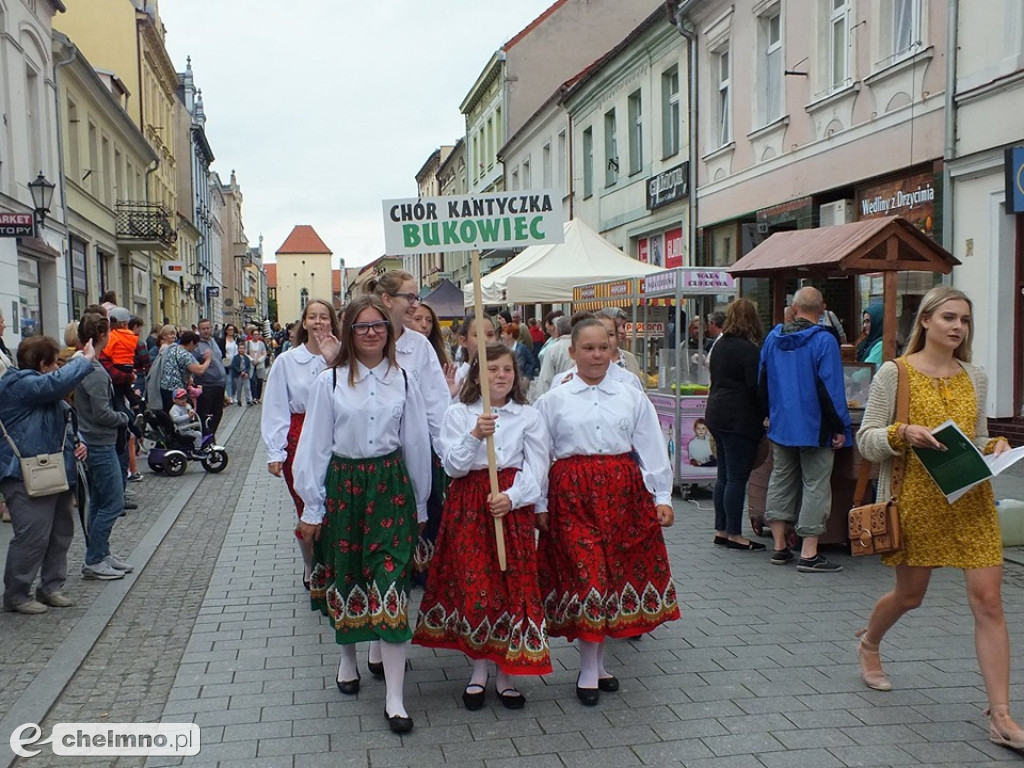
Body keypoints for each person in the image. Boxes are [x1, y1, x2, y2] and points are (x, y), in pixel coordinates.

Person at [855, 286, 1024, 748]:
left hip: (971, 500)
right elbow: (865, 439)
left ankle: (1003, 716)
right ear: (925, 320)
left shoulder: (976, 376)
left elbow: (979, 435)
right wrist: (902, 432)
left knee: (989, 601)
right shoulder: (896, 373)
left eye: (965, 320)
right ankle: (869, 643)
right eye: (949, 317)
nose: (958, 327)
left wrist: (996, 447)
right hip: (917, 503)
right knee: (910, 597)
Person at [293, 294, 430, 734]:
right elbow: (313, 446)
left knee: (390, 581)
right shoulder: (329, 382)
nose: (372, 333)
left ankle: (394, 696)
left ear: (389, 332)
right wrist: (312, 506)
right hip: (345, 487)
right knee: (346, 575)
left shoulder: (404, 380)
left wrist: (421, 501)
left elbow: (415, 444)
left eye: (379, 326)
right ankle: (348, 656)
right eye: (362, 326)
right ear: (348, 332)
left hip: (390, 486)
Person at [535, 318, 679, 705]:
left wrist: (661, 495)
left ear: (612, 351)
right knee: (588, 577)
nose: (597, 355)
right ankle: (586, 668)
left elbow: (650, 443)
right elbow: (539, 452)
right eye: (588, 348)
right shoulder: (555, 399)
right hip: (572, 494)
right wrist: (541, 502)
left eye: (603, 348)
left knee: (612, 576)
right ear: (572, 352)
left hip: (622, 493)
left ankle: (598, 664)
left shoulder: (630, 394)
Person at [413, 342, 552, 709]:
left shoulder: (528, 415)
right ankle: (478, 669)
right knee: (475, 585)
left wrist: (514, 496)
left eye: (507, 369)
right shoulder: (459, 413)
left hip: (509, 505)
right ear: (476, 374)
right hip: (469, 506)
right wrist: (475, 435)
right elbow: (452, 467)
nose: (501, 376)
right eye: (492, 370)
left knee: (510, 586)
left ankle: (506, 672)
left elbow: (538, 467)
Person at [759, 286, 852, 573]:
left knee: (781, 479)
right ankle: (809, 553)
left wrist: (769, 414)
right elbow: (831, 388)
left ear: (795, 309)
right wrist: (840, 427)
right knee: (815, 484)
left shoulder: (773, 338)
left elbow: (761, 380)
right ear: (822, 311)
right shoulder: (824, 341)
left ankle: (779, 546)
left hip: (781, 423)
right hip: (815, 426)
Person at [0, 336, 94, 613]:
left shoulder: (42, 390)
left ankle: (51, 586)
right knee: (32, 536)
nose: (57, 368)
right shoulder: (19, 385)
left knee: (59, 533)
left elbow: (64, 422)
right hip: (24, 473)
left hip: (55, 471)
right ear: (43, 365)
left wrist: (79, 444)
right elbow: (55, 384)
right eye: (55, 363)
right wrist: (84, 360)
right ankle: (17, 594)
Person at [261, 299, 340, 590]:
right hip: (300, 433)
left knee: (334, 504)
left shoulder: (342, 357)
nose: (318, 322)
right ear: (303, 323)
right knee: (306, 504)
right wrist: (275, 450)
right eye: (313, 317)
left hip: (336, 434)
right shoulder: (288, 361)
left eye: (324, 317)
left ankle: (335, 563)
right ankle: (311, 565)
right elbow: (276, 406)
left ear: (332, 322)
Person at [75, 310, 133, 580]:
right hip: (99, 442)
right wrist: (123, 418)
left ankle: (101, 552)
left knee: (99, 502)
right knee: (112, 502)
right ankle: (95, 558)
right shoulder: (95, 371)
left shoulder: (86, 365)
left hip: (96, 440)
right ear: (101, 335)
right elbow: (101, 413)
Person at [705, 298, 766, 551]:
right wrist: (765, 413)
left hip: (716, 412)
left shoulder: (719, 345)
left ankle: (721, 529)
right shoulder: (748, 350)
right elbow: (755, 387)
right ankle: (734, 534)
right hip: (739, 418)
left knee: (723, 476)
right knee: (737, 478)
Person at [193, 319, 228, 439]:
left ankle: (211, 436)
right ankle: (205, 438)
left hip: (219, 384)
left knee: (218, 413)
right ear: (199, 330)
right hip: (206, 385)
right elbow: (193, 365)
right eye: (203, 329)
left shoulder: (213, 341)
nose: (206, 331)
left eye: (208, 328)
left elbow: (218, 359)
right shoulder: (196, 345)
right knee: (205, 414)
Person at [535, 315, 574, 395]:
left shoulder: (552, 349)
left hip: (559, 393)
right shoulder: (581, 346)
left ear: (558, 330)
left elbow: (546, 380)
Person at [246, 329, 267, 403]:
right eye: (254, 334)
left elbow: (264, 353)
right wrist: (251, 359)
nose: (256, 336)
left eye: (257, 334)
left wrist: (259, 360)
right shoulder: (248, 343)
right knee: (252, 380)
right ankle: (254, 397)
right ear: (252, 335)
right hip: (251, 364)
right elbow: (246, 353)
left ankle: (258, 397)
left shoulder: (261, 344)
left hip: (259, 365)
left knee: (259, 381)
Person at [222, 324, 241, 404]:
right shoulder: (223, 340)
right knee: (228, 380)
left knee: (235, 381)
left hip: (235, 362)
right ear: (226, 331)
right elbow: (222, 351)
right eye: (229, 330)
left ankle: (233, 395)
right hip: (227, 363)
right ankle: (229, 396)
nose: (231, 331)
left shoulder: (236, 339)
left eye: (232, 330)